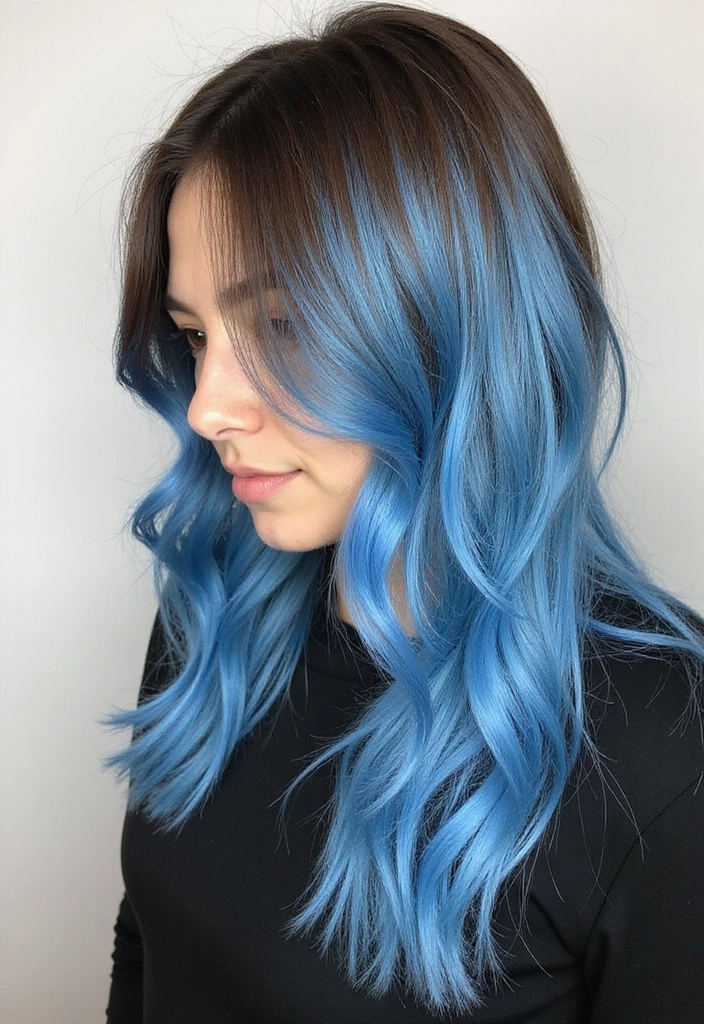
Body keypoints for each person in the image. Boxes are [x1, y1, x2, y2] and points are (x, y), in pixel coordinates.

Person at [104, 3, 704, 1021]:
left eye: (282, 326)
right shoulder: (212, 619)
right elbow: (149, 943)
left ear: (458, 326)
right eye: (194, 334)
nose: (206, 408)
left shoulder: (661, 747)